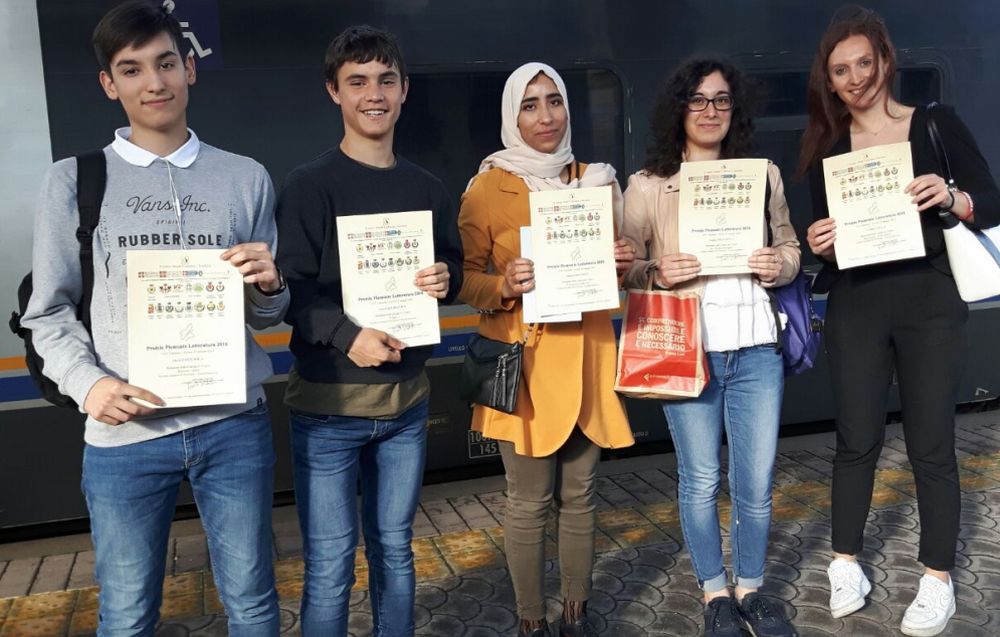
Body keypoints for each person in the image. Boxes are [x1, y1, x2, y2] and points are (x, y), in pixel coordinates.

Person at [20, 1, 288, 634]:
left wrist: (270, 284)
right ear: (109, 84)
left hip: (233, 427)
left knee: (253, 602)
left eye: (166, 63)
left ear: (189, 69)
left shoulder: (244, 177)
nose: (154, 83)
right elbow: (47, 311)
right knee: (127, 613)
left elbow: (266, 317)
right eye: (132, 69)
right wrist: (88, 384)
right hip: (125, 438)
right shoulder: (74, 182)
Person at [799, 6, 1000, 636]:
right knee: (855, 440)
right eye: (841, 70)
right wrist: (818, 242)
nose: (855, 78)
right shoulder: (828, 148)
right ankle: (846, 564)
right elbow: (825, 240)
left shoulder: (934, 124)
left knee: (931, 443)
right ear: (830, 81)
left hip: (929, 299)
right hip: (857, 302)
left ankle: (937, 577)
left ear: (886, 61)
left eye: (865, 62)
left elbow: (991, 200)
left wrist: (953, 196)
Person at [274, 25, 462, 637]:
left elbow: (453, 266)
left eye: (386, 80)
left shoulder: (427, 188)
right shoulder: (309, 185)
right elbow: (288, 289)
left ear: (404, 90)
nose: (373, 94)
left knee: (396, 552)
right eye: (357, 82)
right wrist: (346, 334)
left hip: (407, 405)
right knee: (331, 567)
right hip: (329, 411)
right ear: (334, 92)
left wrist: (446, 277)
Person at [621, 58, 801, 637]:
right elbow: (624, 266)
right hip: (686, 348)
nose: (710, 111)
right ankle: (714, 592)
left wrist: (779, 265)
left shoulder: (761, 175)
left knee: (755, 484)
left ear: (734, 109)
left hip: (755, 349)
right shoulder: (648, 185)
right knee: (700, 480)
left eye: (721, 100)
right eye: (698, 100)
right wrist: (656, 270)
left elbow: (791, 247)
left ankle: (751, 588)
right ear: (680, 108)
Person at [457, 62, 636, 637]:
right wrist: (504, 286)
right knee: (529, 501)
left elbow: (615, 274)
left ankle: (576, 612)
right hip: (527, 367)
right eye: (529, 105)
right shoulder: (489, 187)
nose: (545, 116)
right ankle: (532, 619)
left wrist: (623, 262)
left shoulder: (598, 181)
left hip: (588, 358)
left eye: (554, 101)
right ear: (512, 116)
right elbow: (465, 280)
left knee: (581, 495)